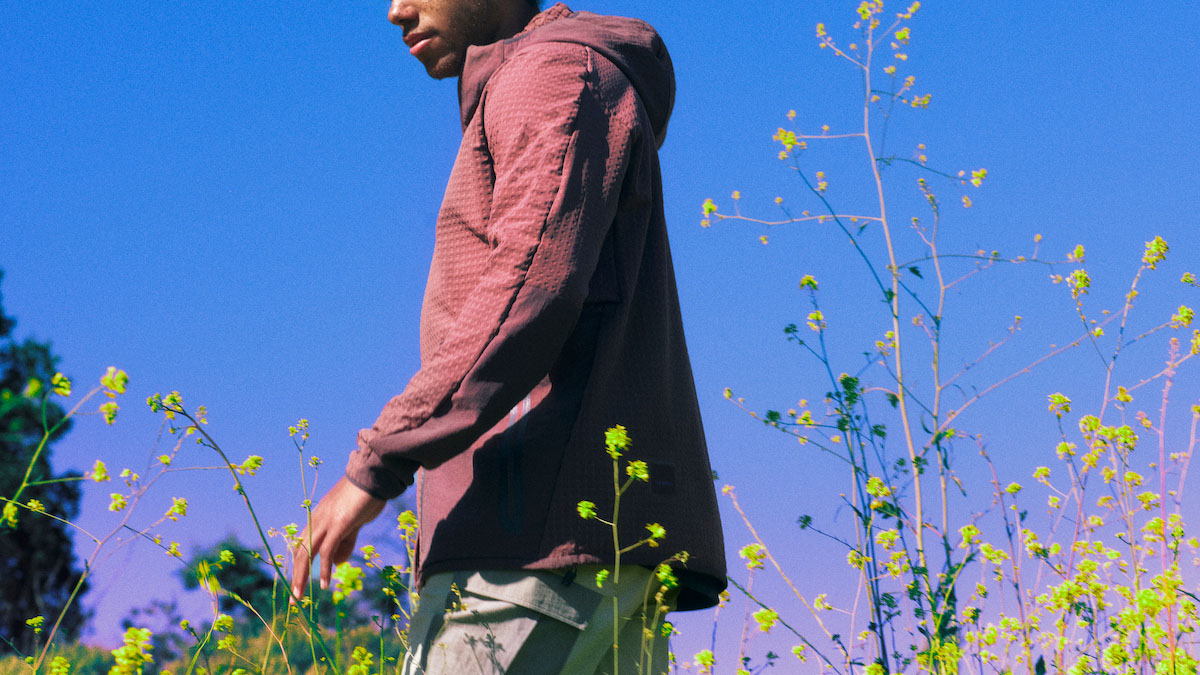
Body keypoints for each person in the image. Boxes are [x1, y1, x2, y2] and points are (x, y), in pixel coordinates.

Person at [290, 1, 726, 672]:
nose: (394, 10)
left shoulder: (550, 72)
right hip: (578, 548)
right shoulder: (557, 76)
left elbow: (530, 283)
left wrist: (378, 460)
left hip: (530, 551)